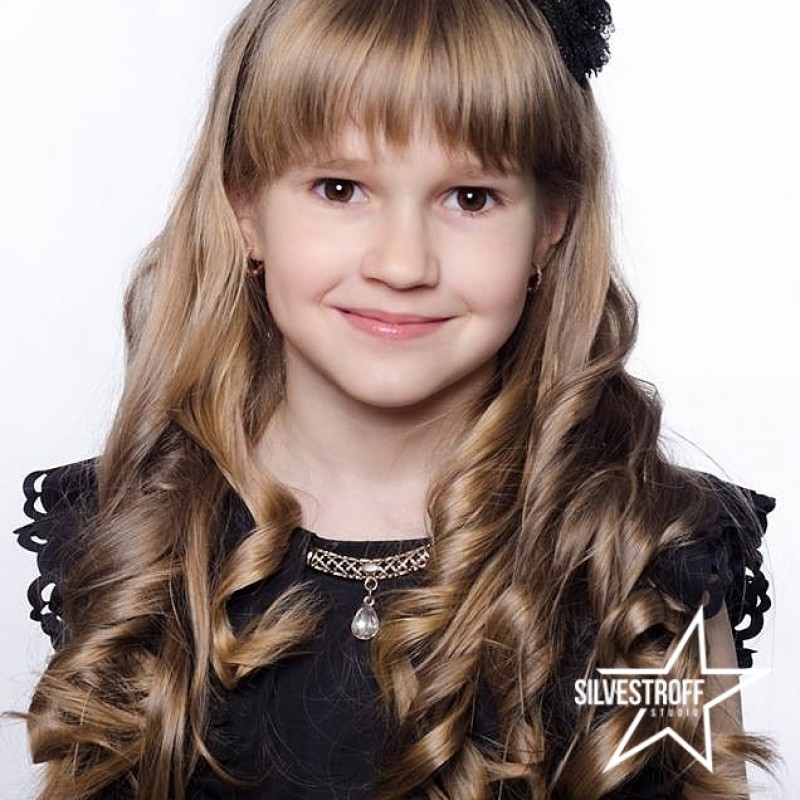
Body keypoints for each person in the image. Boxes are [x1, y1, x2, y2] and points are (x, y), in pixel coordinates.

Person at [12, 0, 776, 798]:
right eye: (340, 188)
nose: (403, 264)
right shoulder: (132, 542)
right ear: (245, 209)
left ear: (549, 226)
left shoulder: (647, 555)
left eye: (470, 198)